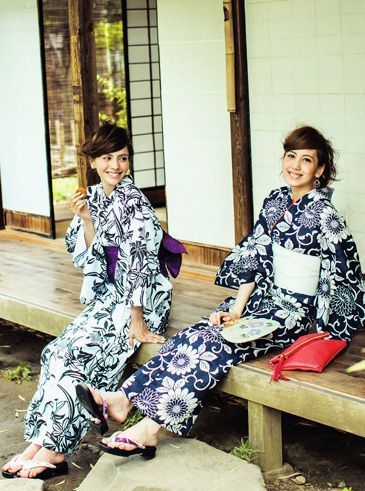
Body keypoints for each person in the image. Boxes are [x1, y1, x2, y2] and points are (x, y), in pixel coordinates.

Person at [76, 125, 365, 458]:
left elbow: (343, 272)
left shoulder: (326, 214)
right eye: (290, 157)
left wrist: (327, 325)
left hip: (293, 313)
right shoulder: (276, 200)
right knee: (193, 336)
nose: (295, 166)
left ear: (320, 169)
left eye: (306, 160)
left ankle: (150, 428)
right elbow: (256, 254)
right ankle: (123, 399)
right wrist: (238, 308)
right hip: (260, 301)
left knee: (216, 349)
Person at [2, 124, 174, 479]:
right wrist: (86, 219)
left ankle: (53, 450)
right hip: (109, 295)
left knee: (87, 360)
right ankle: (39, 443)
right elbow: (88, 260)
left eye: (122, 157)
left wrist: (137, 321)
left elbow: (139, 261)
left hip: (141, 298)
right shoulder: (93, 197)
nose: (116, 165)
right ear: (93, 161)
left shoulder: (135, 202)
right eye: (107, 158)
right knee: (57, 353)